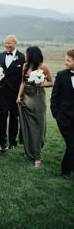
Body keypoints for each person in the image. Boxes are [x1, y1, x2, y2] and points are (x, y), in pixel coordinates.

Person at [17, 46, 53, 167]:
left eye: (27, 54)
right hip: (26, 99)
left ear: (32, 55)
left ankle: (37, 156)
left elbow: (51, 82)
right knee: (27, 126)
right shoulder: (25, 66)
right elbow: (22, 82)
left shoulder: (43, 67)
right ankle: (29, 150)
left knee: (38, 127)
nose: (25, 56)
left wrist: (41, 84)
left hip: (38, 99)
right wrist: (18, 96)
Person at [0, 35, 25, 151]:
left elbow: (23, 76)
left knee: (14, 117)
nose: (7, 45)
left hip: (15, 92)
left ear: (15, 43)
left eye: (9, 43)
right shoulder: (0, 56)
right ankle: (2, 141)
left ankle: (13, 142)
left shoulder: (22, 57)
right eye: (5, 43)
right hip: (2, 91)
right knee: (2, 116)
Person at [51, 49, 74, 179]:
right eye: (65, 60)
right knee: (71, 144)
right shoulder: (61, 75)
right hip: (64, 118)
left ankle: (67, 169)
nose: (65, 63)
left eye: (68, 60)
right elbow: (54, 98)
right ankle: (67, 170)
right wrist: (56, 115)